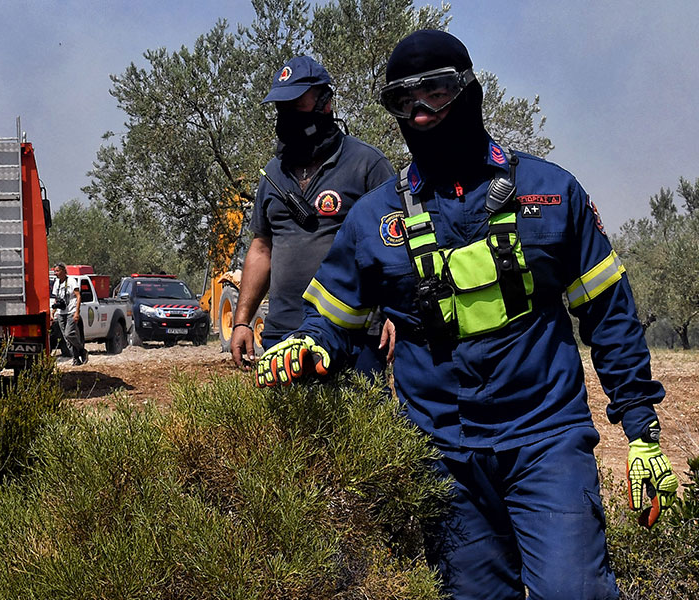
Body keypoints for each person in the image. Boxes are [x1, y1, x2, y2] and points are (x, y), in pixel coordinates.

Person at [254, 30, 678, 599]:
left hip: (546, 439)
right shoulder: (376, 217)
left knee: (573, 590)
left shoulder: (550, 193)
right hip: (442, 454)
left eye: (436, 92)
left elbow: (610, 315)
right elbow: (333, 314)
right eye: (403, 101)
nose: (420, 113)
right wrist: (312, 344)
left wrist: (642, 432)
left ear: (470, 91)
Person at [230, 55, 396, 372]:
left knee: (355, 421)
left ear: (326, 102)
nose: (288, 114)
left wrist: (395, 313)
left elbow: (397, 247)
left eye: (297, 103)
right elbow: (262, 249)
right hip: (281, 338)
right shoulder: (272, 174)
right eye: (282, 106)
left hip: (351, 337)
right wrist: (242, 322)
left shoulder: (367, 165)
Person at [52, 263, 87, 365]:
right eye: (55, 271)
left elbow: (78, 296)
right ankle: (76, 358)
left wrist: (77, 312)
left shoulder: (71, 281)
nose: (56, 273)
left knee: (69, 334)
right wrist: (53, 312)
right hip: (61, 313)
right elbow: (56, 299)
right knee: (66, 338)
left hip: (71, 312)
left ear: (63, 271)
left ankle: (81, 350)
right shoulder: (57, 283)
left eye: (57, 271)